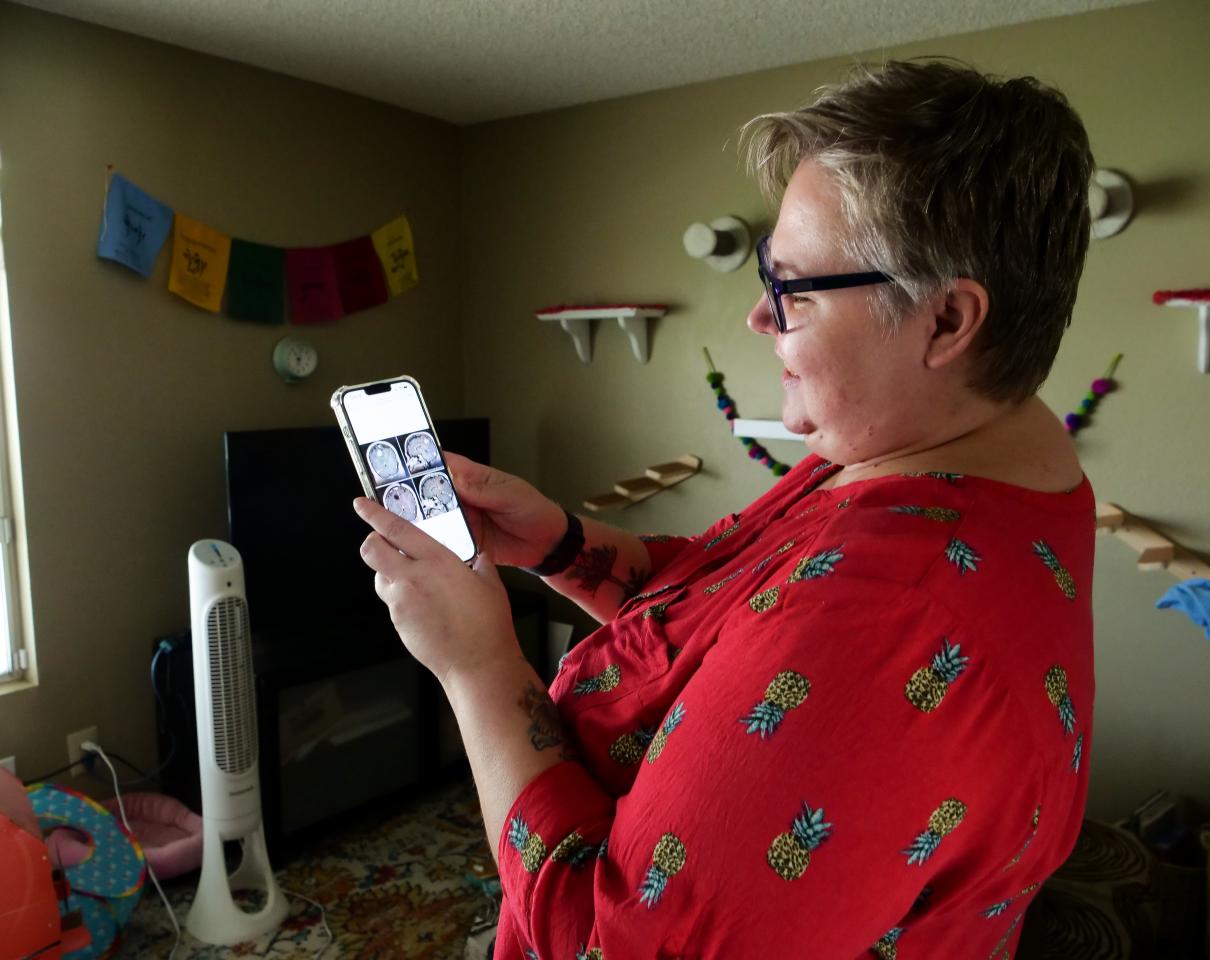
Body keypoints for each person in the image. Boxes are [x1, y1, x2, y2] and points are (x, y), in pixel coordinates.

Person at [353, 58, 1096, 959]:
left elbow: (608, 946)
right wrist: (566, 546)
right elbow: (732, 609)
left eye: (792, 287)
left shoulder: (888, 617)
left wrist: (476, 665)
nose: (758, 317)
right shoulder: (932, 447)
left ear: (946, 322)